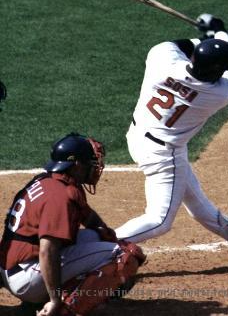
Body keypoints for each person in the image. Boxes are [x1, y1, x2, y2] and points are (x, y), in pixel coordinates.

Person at [115, 14, 228, 262]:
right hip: (163, 155)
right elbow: (224, 62)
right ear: (216, 71)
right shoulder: (222, 92)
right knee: (160, 220)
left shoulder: (161, 58)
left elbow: (182, 46)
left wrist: (204, 39)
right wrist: (217, 30)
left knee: (195, 198)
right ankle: (98, 247)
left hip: (138, 135)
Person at [0, 133, 145, 316]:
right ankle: (61, 309)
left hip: (16, 267)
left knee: (98, 236)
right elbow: (48, 251)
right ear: (77, 165)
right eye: (90, 162)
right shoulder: (59, 198)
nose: (95, 167)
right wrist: (54, 298)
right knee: (123, 255)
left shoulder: (52, 180)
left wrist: (105, 231)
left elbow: (88, 217)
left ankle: (40, 301)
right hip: (27, 278)